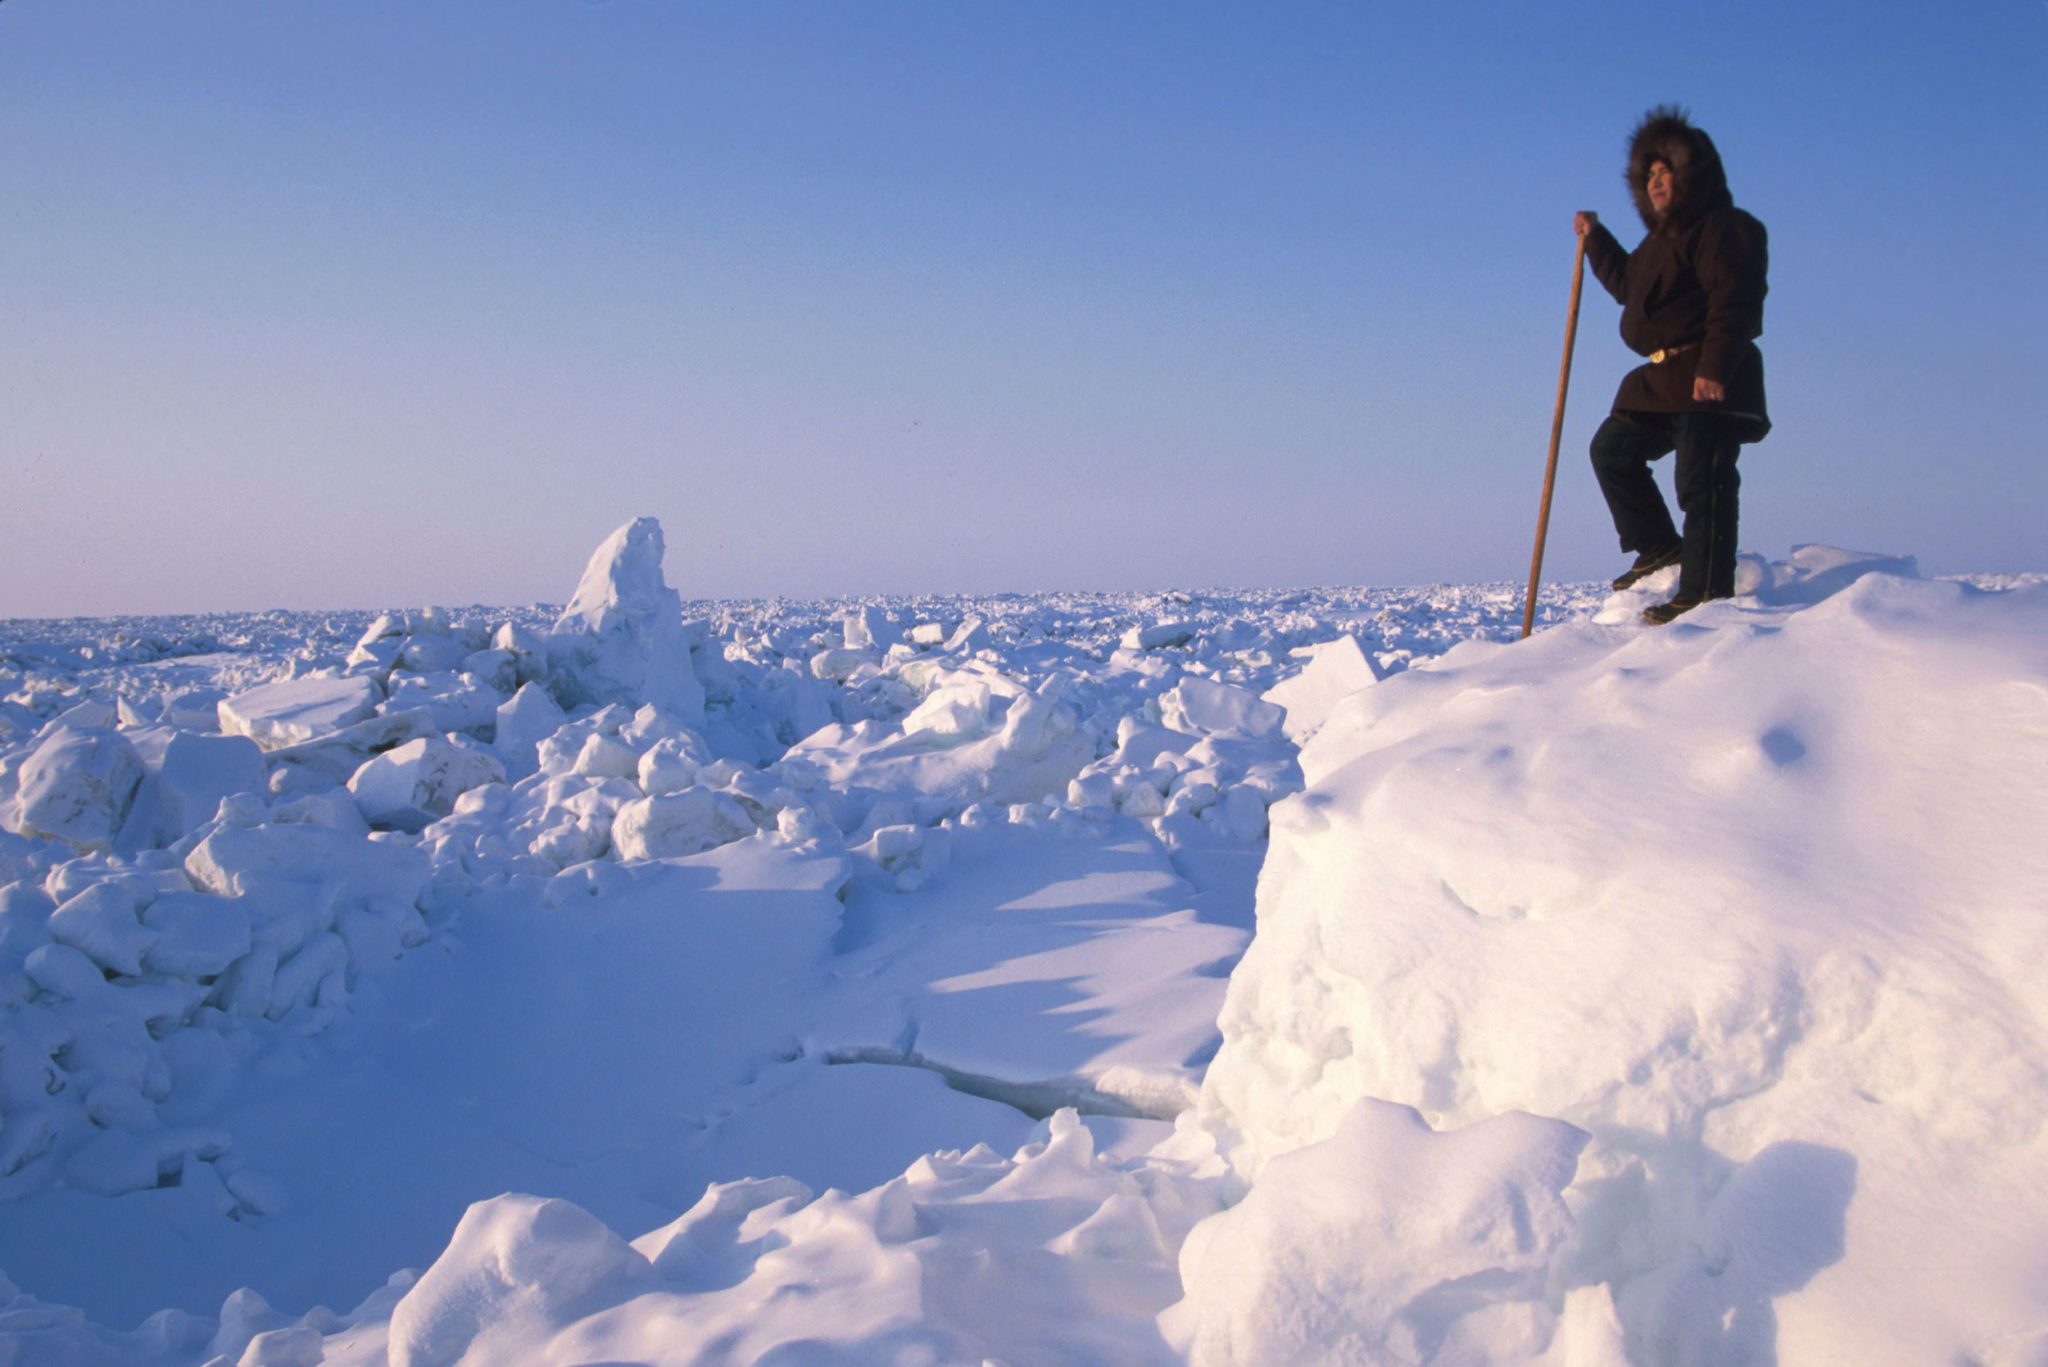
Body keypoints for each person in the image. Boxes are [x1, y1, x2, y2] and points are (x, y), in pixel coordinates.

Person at [1575, 106, 1769, 624]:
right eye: (1650, 176)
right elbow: (1627, 285)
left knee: (1701, 479)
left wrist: (1715, 367)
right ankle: (1659, 546)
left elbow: (1735, 299)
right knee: (1611, 450)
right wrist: (1595, 239)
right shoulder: (1657, 246)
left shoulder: (1725, 228)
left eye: (1668, 173)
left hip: (1709, 372)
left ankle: (1705, 590)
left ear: (1693, 177)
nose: (1657, 183)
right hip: (1661, 380)